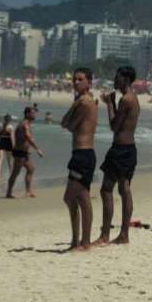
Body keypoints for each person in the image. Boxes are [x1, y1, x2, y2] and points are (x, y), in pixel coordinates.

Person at [98, 65, 141, 246]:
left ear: (126, 79)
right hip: (129, 149)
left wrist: (109, 104)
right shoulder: (133, 98)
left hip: (120, 149)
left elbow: (114, 126)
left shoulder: (126, 99)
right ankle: (123, 234)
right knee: (124, 189)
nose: (115, 81)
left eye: (118, 78)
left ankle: (106, 234)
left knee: (106, 190)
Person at [61, 68, 99, 251]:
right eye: (74, 79)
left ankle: (83, 242)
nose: (76, 82)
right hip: (82, 154)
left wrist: (74, 106)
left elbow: (66, 124)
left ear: (89, 82)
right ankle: (78, 241)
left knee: (74, 197)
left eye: (80, 79)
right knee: (77, 198)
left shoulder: (84, 103)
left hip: (83, 155)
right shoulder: (85, 100)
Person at [6, 106, 44, 198]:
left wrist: (28, 149)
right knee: (15, 173)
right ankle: (8, 193)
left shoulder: (26, 123)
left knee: (31, 169)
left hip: (24, 152)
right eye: (33, 113)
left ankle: (28, 191)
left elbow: (24, 139)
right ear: (27, 114)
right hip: (20, 152)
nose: (34, 115)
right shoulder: (25, 124)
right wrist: (37, 149)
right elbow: (28, 137)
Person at [0, 114, 14, 180]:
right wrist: (14, 146)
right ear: (10, 119)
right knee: (9, 161)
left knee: (0, 159)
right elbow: (12, 137)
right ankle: (11, 174)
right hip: (8, 142)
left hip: (1, 141)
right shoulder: (10, 127)